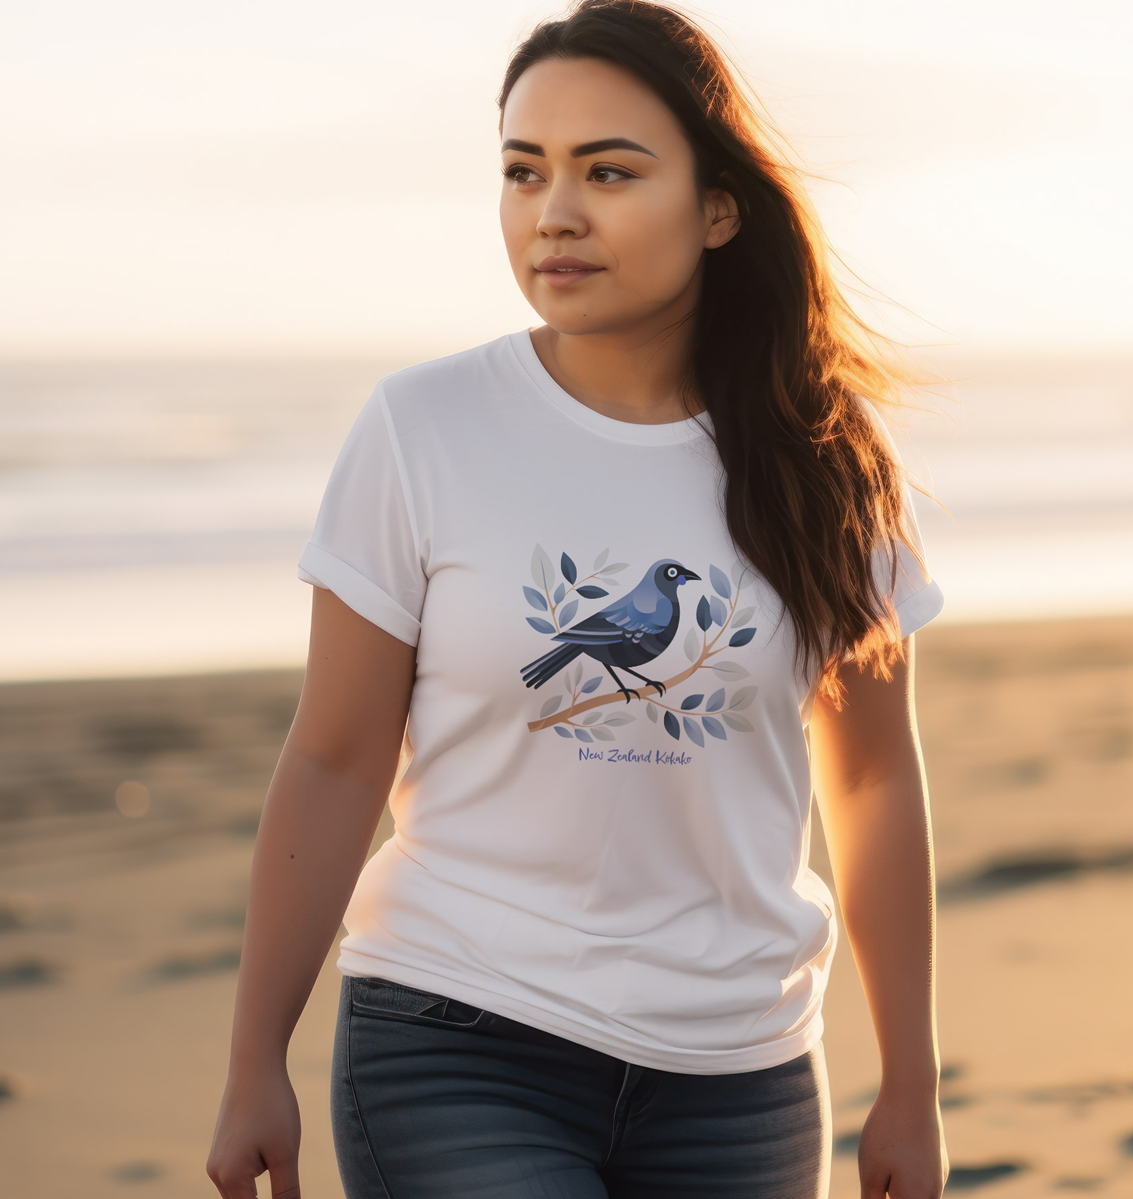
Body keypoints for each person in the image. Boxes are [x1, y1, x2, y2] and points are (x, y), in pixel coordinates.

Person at [207, 2, 953, 1197]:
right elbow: (336, 760)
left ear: (719, 207)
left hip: (742, 1072)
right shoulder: (424, 429)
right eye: (523, 171)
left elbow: (870, 777)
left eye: (608, 171)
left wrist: (909, 1084)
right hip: (458, 1036)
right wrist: (255, 1056)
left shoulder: (828, 458)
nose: (554, 212)